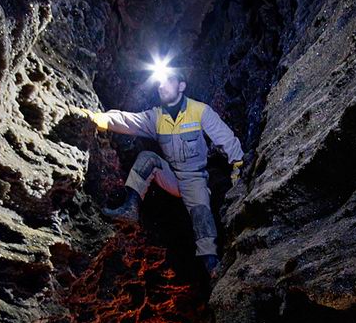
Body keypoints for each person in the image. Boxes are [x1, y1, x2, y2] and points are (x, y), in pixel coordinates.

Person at [80, 69, 244, 278]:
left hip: (195, 177)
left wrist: (238, 163)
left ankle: (212, 265)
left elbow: (225, 138)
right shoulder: (156, 117)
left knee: (201, 215)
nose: (161, 86)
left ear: (181, 86)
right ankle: (130, 208)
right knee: (148, 158)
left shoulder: (200, 111)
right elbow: (127, 120)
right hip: (173, 176)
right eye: (159, 83)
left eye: (168, 81)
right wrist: (95, 118)